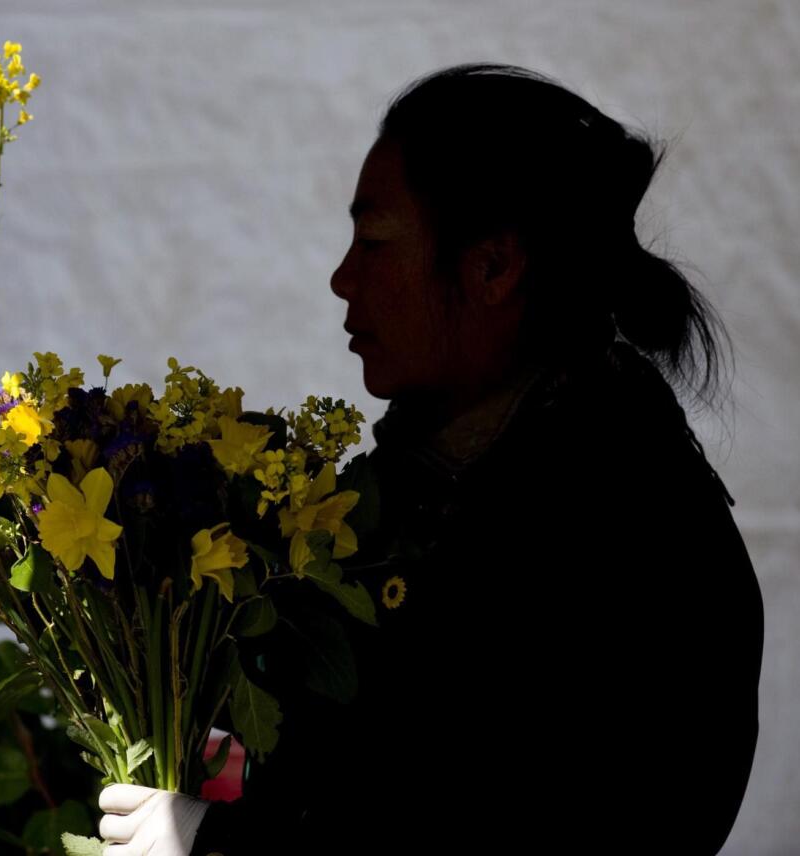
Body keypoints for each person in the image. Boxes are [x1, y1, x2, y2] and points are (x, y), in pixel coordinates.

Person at [97, 63, 764, 855]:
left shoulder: (630, 539)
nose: (343, 279)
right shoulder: (412, 488)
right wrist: (192, 748)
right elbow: (321, 748)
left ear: (491, 266)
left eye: (375, 241)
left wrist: (219, 845)